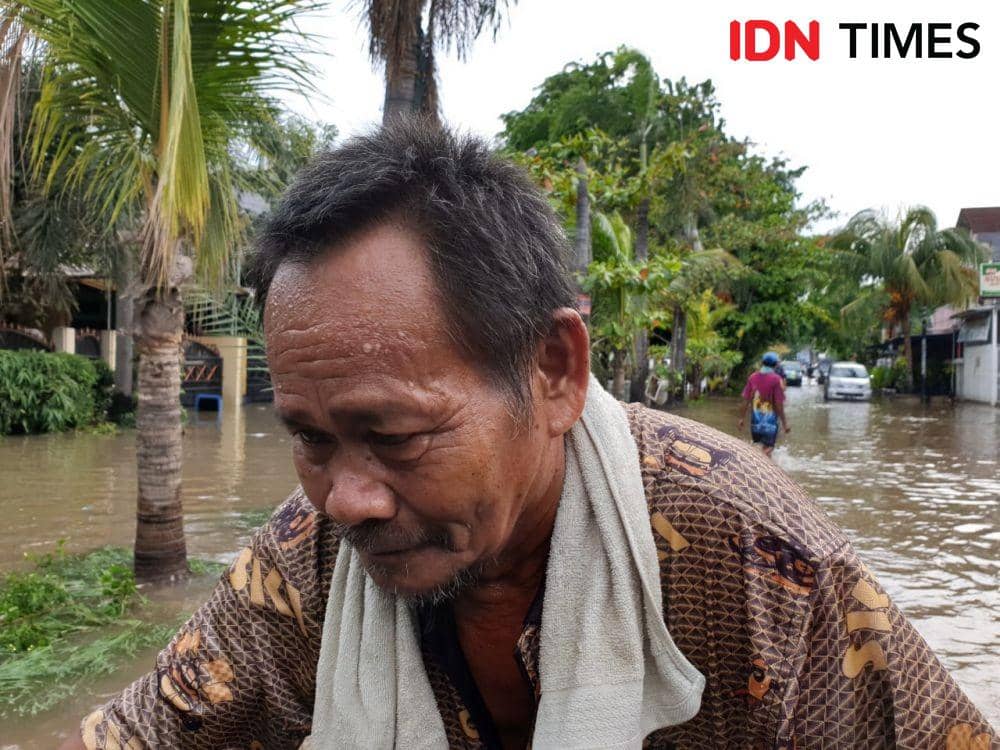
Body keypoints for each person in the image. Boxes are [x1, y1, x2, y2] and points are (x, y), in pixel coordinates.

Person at [62, 121, 993, 750]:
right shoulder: (309, 557)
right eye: (310, 439)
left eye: (396, 434)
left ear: (554, 372)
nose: (348, 498)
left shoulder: (752, 554)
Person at [738, 352, 790, 458]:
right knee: (768, 449)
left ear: (762, 363)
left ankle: (759, 462)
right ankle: (755, 459)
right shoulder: (776, 380)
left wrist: (741, 418)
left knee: (763, 448)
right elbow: (779, 404)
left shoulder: (752, 377)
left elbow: (746, 400)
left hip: (755, 424)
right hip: (770, 424)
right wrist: (785, 423)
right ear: (776, 365)